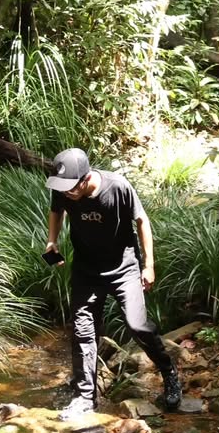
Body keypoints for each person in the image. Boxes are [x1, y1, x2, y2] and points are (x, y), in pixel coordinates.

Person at [44, 148, 181, 419]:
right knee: (82, 330)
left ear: (85, 179)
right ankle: (85, 396)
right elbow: (56, 211)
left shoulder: (118, 186)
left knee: (137, 325)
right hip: (86, 269)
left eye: (72, 188)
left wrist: (148, 265)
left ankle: (169, 372)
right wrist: (52, 241)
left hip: (124, 268)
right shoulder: (63, 187)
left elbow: (142, 221)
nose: (67, 193)